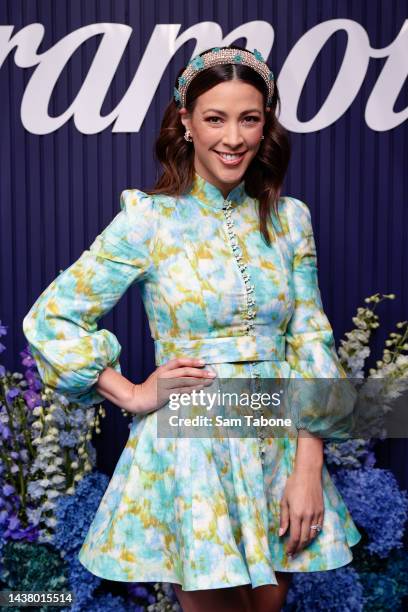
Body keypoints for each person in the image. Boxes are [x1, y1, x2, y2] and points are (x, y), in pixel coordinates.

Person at [22, 45, 362, 612]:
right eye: (215, 118)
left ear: (266, 125)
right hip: (193, 444)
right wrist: (131, 393)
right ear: (186, 123)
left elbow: (310, 340)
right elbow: (51, 318)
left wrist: (309, 464)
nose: (233, 138)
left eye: (249, 118)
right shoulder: (149, 219)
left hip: (278, 444)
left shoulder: (290, 219)